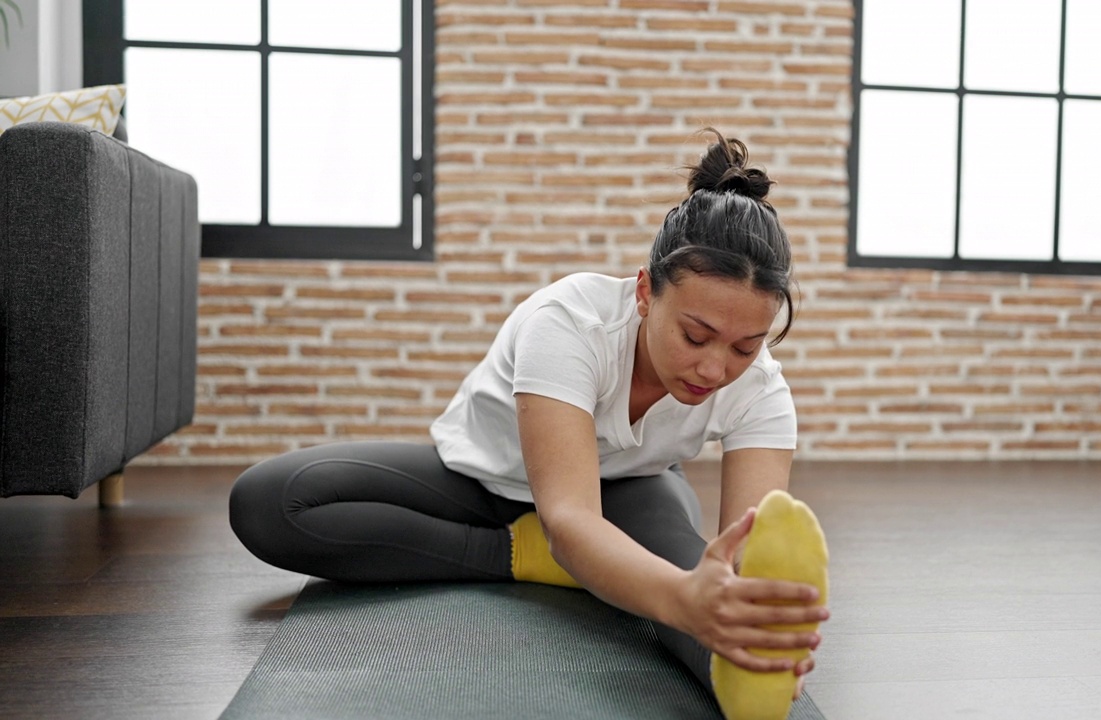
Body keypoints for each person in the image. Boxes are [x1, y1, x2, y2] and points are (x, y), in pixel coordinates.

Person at [228, 128, 830, 716]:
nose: (715, 367)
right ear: (645, 292)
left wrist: (754, 620)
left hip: (629, 494)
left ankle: (596, 569)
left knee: (712, 606)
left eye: (745, 346)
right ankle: (527, 555)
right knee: (269, 503)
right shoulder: (569, 322)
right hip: (479, 479)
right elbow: (569, 520)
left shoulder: (762, 389)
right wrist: (670, 593)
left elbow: (745, 559)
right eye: (695, 335)